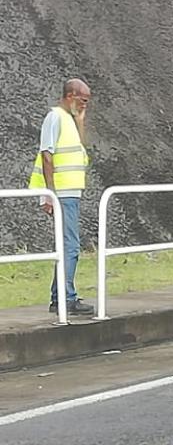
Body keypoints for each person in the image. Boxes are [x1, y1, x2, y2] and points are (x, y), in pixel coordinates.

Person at [29, 79, 94, 315]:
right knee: (70, 247)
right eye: (83, 100)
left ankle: (60, 298)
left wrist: (80, 122)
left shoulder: (69, 120)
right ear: (70, 95)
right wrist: (50, 194)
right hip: (62, 194)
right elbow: (47, 155)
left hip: (70, 194)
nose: (85, 105)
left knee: (67, 247)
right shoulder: (55, 117)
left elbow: (81, 149)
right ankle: (66, 298)